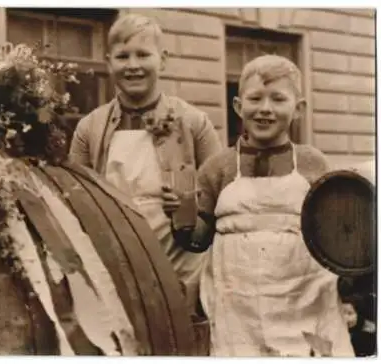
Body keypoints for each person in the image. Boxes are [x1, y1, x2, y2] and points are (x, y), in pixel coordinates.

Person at [188, 54, 354, 356]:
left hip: (307, 303)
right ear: (238, 106)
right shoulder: (218, 168)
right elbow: (198, 242)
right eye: (255, 98)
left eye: (278, 99)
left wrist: (349, 290)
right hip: (237, 311)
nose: (265, 109)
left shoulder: (313, 163)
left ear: (298, 109)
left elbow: (336, 239)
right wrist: (182, 214)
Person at [69, 13, 222, 315]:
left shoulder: (195, 123)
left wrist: (187, 206)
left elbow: (219, 203)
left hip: (182, 270)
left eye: (143, 54)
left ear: (162, 60)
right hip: (117, 271)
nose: (133, 65)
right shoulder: (89, 129)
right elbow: (75, 203)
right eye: (123, 56)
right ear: (109, 61)